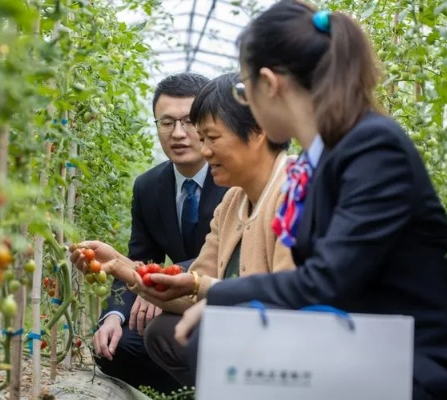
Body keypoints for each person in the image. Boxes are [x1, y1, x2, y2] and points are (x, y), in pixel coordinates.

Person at [147, 2, 447, 399]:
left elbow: (328, 280)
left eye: (243, 90)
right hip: (372, 347)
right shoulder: (325, 157)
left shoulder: (373, 147)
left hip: (430, 365)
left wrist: (222, 297)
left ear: (269, 83)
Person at [72, 72, 295, 387]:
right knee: (162, 333)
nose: (202, 150)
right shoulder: (234, 200)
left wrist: (200, 289)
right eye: (167, 123)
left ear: (257, 132)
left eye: (210, 137)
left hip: (294, 343)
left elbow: (292, 302)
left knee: (183, 329)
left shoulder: (297, 191)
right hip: (243, 329)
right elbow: (191, 289)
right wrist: (119, 265)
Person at [82, 72, 227, 393]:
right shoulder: (148, 187)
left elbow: (227, 257)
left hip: (225, 298)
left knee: (167, 335)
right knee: (113, 348)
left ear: (207, 123)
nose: (178, 133)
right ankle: (186, 391)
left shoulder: (231, 176)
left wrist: (163, 280)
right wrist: (114, 316)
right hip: (178, 306)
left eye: (189, 121)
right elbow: (139, 257)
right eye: (166, 122)